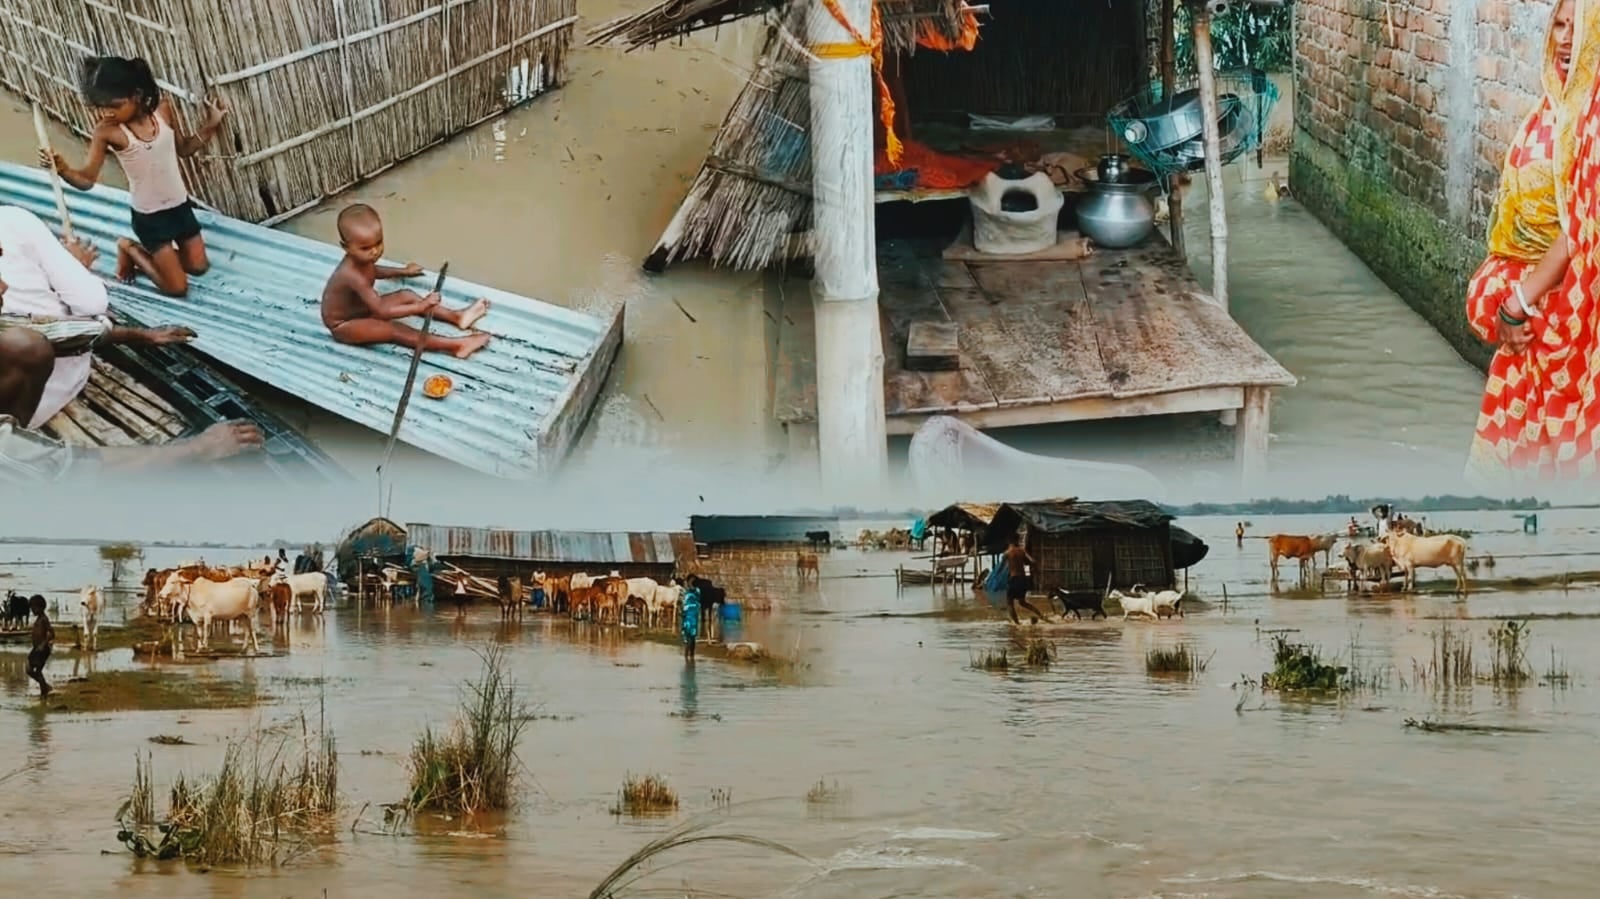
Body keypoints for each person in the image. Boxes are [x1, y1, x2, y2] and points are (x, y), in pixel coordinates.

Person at [1464, 0, 1600, 482]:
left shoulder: (1592, 121)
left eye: (1578, 27)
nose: (1565, 38)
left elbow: (1583, 225)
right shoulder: (1555, 108)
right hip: (1532, 323)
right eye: (1559, 25)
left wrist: (1517, 303)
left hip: (1560, 321)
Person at [40, 56, 230, 297]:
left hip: (180, 208)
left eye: (114, 106)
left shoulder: (163, 111)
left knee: (198, 267)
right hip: (150, 218)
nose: (106, 113)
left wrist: (211, 124)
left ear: (137, 95)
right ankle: (129, 248)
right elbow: (87, 181)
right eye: (101, 107)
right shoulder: (107, 131)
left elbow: (184, 149)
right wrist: (63, 169)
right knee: (177, 288)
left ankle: (156, 257)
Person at [1, 205, 197, 429]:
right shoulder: (13, 220)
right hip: (41, 399)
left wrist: (144, 336)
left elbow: (53, 332)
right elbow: (89, 306)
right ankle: (15, 436)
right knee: (29, 344)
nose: (5, 286)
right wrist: (75, 267)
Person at [321, 204, 491, 359]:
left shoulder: (362, 261)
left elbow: (373, 271)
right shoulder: (351, 275)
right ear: (345, 247)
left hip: (361, 309)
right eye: (365, 248)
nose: (374, 252)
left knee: (406, 295)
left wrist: (403, 271)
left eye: (378, 243)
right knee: (394, 329)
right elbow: (382, 311)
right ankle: (456, 346)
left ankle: (457, 317)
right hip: (345, 325)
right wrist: (421, 306)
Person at [1001, 536, 1050, 625]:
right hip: (1023, 579)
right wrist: (1036, 570)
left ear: (1008, 542)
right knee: (1022, 602)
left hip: (1014, 578)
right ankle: (1041, 616)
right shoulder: (1022, 551)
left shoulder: (1007, 553)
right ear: (1017, 540)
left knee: (1009, 603)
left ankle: (1017, 624)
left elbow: (1001, 568)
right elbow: (1033, 561)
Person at [27, 594, 54, 699]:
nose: (32, 610)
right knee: (29, 669)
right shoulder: (38, 619)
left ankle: (44, 692)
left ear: (40, 607)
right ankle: (45, 686)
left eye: (33, 608)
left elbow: (52, 633)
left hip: (42, 649)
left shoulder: (44, 619)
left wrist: (43, 644)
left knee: (37, 671)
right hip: (36, 649)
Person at [680, 578, 701, 663]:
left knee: (687, 637)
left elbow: (683, 605)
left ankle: (686, 656)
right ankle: (691, 656)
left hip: (688, 617)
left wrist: (682, 613)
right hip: (694, 616)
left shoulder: (687, 593)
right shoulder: (697, 592)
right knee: (692, 637)